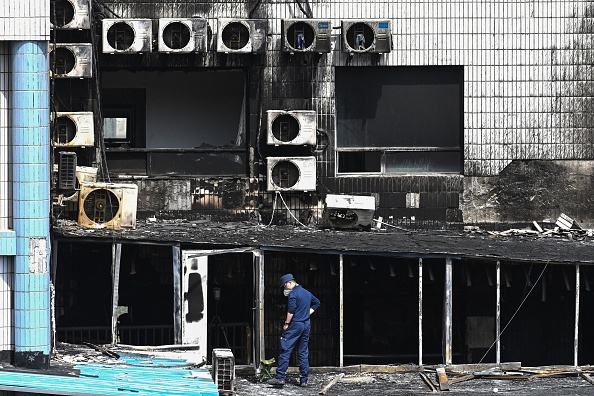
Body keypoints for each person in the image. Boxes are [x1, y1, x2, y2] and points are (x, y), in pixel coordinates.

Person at [267, 273, 320, 387]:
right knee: (303, 351)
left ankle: (280, 377)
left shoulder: (293, 294)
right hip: (306, 324)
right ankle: (304, 379)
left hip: (296, 324)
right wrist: (308, 313)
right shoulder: (307, 293)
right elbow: (317, 303)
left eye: (285, 286)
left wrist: (286, 323)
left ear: (290, 282)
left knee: (285, 348)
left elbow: (291, 311)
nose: (285, 288)